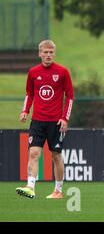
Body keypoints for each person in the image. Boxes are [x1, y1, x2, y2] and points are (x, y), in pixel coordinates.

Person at [16, 40, 74, 199]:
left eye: (51, 52)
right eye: (45, 52)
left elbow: (69, 96)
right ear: (39, 53)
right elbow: (30, 94)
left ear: (54, 53)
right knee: (33, 153)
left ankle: (58, 190)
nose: (48, 55)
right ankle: (30, 186)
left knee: (56, 155)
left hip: (56, 122)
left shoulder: (62, 72)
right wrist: (25, 111)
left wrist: (65, 118)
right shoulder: (33, 72)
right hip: (37, 121)